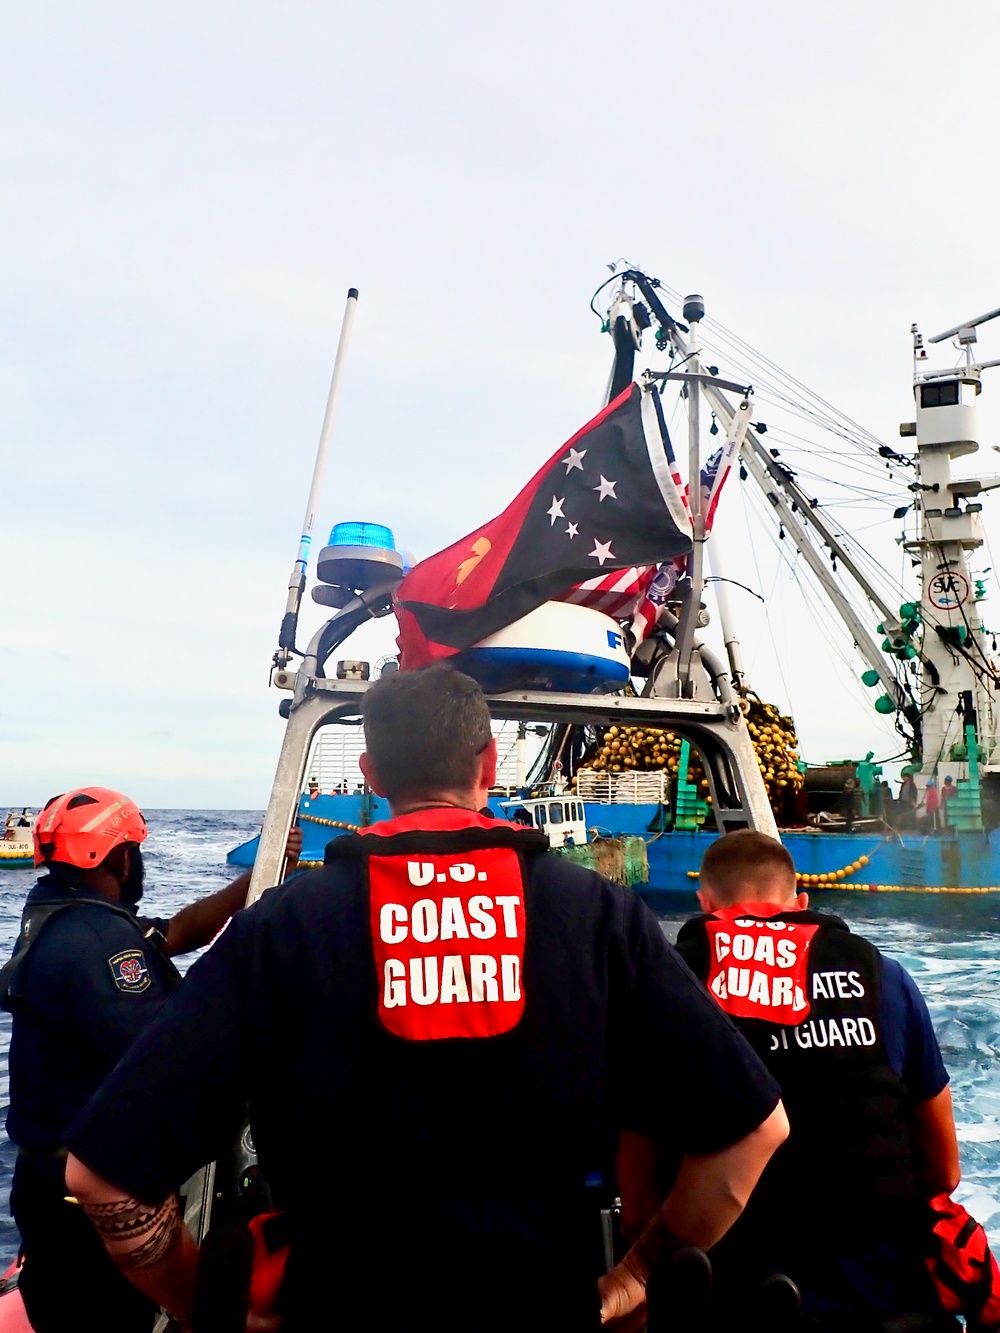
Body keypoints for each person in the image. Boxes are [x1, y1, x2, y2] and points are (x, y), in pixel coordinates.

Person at [64, 666, 788, 1332]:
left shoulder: (277, 930)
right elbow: (754, 1130)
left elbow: (99, 1177)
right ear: (490, 764)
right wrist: (636, 1272)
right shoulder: (600, 916)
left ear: (373, 774)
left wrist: (209, 1307)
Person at [2, 787, 301, 1333]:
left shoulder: (68, 920)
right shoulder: (101, 947)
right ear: (116, 856)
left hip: (46, 1175)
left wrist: (256, 877)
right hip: (84, 1190)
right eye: (133, 849)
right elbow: (164, 1058)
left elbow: (174, 934)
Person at [672, 829, 960, 1328]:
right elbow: (945, 1172)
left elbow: (638, 1190)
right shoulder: (885, 978)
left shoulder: (673, 981)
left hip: (732, 1292)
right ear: (801, 902)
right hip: (883, 1298)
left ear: (705, 903)